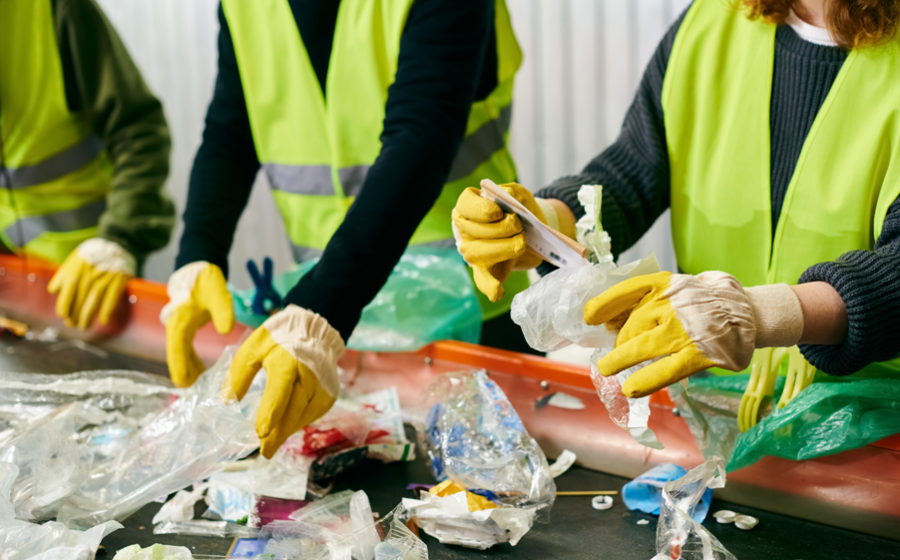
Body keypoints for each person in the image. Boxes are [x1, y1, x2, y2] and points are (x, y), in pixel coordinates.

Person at [455, 0, 900, 399]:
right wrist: (542, 223)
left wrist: (759, 314)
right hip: (716, 399)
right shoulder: (712, 21)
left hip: (872, 427)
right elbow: (634, 171)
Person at [162, 0, 524, 457]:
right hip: (332, 334)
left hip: (469, 318)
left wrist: (322, 306)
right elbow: (230, 134)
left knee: (492, 502)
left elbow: (422, 134)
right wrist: (199, 251)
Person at [0, 0, 175, 330]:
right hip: (13, 291)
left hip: (97, 274)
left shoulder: (54, 9)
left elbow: (139, 131)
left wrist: (119, 239)